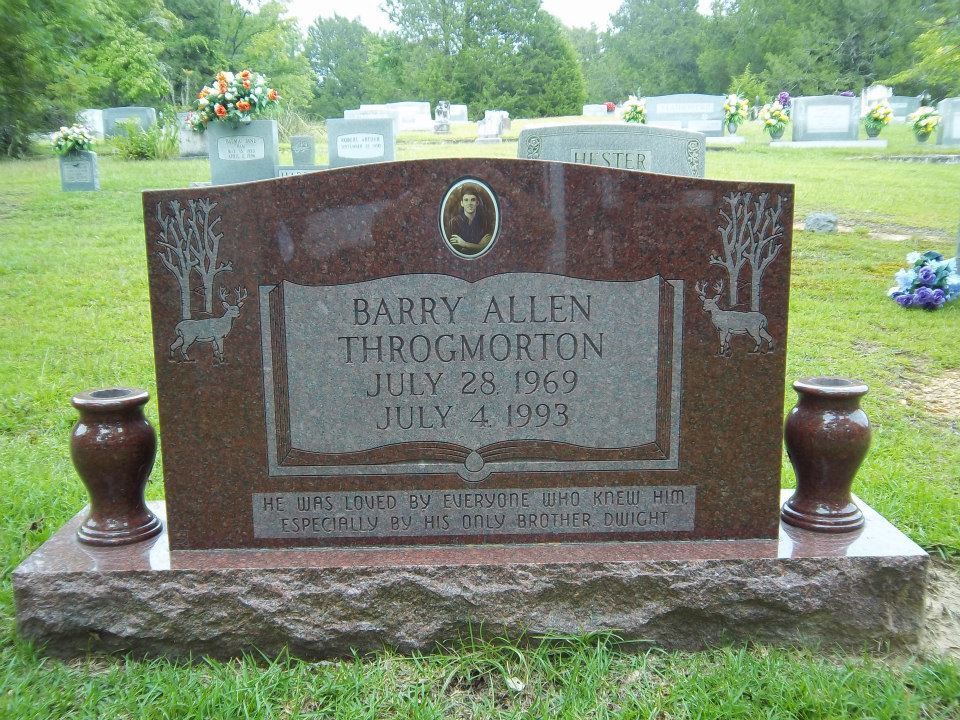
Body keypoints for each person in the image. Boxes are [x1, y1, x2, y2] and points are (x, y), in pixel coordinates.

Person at [446, 187, 493, 254]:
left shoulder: (485, 221)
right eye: (466, 200)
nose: (469, 203)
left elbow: (487, 246)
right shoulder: (454, 222)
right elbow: (459, 251)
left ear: (477, 203)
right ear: (462, 203)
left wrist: (464, 244)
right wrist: (480, 246)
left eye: (473, 200)